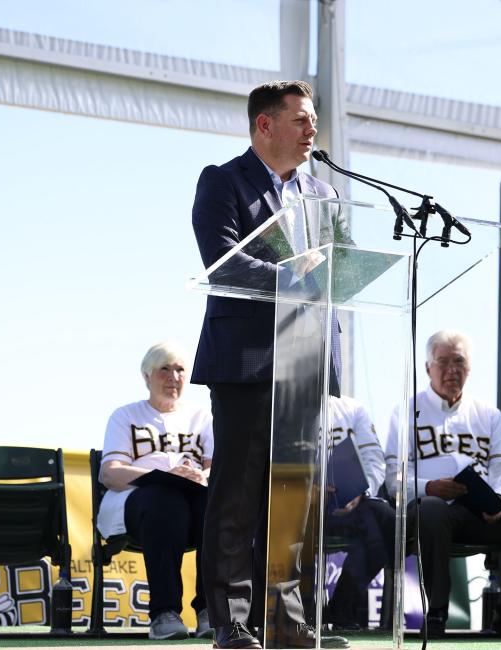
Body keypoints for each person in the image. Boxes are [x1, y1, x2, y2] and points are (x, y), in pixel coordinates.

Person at [191, 80, 347, 649]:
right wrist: (294, 272)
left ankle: (288, 622)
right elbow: (225, 264)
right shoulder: (222, 181)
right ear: (265, 125)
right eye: (301, 120)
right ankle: (231, 622)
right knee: (236, 496)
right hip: (248, 360)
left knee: (294, 499)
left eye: (313, 121)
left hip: (306, 359)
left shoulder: (323, 195)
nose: (312, 131)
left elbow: (342, 269)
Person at [384, 330, 501, 639]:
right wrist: (428, 487)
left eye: (459, 361)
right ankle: (435, 613)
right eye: (442, 362)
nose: (451, 370)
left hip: (481, 514)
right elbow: (393, 476)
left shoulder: (487, 413)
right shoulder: (406, 412)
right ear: (427, 368)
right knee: (431, 508)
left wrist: (499, 499)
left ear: (470, 367)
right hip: (434, 514)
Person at [97, 342, 213, 640]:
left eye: (180, 370)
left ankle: (210, 612)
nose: (173, 377)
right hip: (141, 505)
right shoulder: (126, 416)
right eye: (164, 369)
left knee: (213, 502)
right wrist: (162, 475)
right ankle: (164, 613)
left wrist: (199, 475)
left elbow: (217, 470)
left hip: (194, 503)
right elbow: (110, 473)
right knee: (164, 498)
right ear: (147, 376)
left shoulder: (203, 418)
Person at [324, 395, 394, 630]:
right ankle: (300, 611)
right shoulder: (284, 404)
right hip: (300, 501)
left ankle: (341, 609)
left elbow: (374, 459)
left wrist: (360, 490)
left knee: (383, 519)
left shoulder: (353, 409)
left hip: (348, 500)